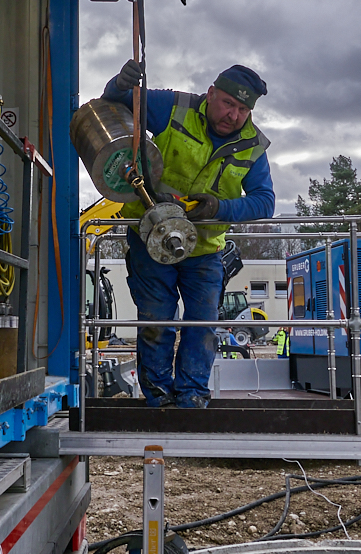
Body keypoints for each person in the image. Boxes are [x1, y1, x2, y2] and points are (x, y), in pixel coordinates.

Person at [102, 61, 275, 408]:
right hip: (151, 237)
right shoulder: (174, 108)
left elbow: (265, 201)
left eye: (243, 110)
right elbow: (118, 102)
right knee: (156, 319)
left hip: (205, 249)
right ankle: (158, 398)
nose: (233, 115)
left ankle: (192, 398)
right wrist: (119, 83)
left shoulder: (253, 145)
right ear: (210, 94)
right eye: (228, 103)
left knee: (202, 324)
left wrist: (219, 208)